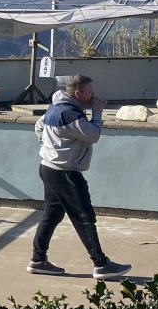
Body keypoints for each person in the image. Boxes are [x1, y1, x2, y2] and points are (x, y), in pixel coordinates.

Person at [27, 74, 131, 280]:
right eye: (90, 92)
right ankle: (101, 265)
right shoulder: (70, 113)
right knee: (84, 217)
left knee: (52, 214)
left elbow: (39, 127)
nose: (94, 95)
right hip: (65, 173)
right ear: (78, 93)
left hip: (49, 168)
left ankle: (38, 260)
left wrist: (50, 148)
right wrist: (98, 114)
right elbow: (93, 135)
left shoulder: (57, 106)